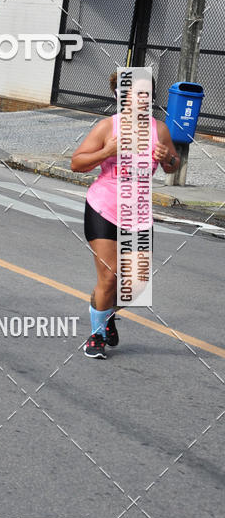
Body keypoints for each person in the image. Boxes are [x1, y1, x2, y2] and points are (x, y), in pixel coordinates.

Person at [71, 71, 179, 359]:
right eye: (134, 92)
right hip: (104, 207)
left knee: (136, 285)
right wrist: (107, 150)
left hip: (139, 213)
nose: (141, 98)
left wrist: (167, 159)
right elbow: (76, 163)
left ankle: (106, 316)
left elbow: (172, 164)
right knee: (109, 277)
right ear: (121, 96)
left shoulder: (160, 129)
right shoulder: (108, 127)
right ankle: (96, 336)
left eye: (147, 92)